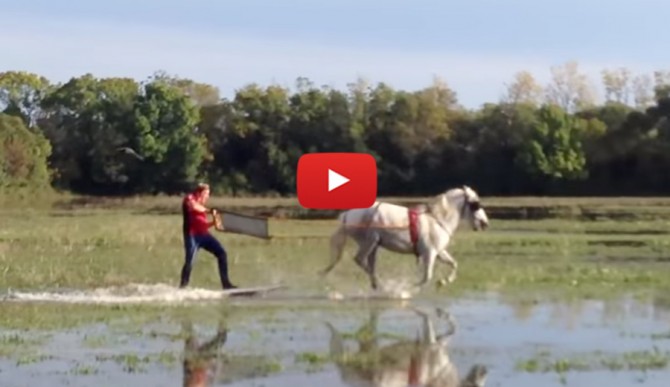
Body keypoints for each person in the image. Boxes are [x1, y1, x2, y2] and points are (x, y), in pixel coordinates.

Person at [180, 183, 237, 289]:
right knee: (190, 261)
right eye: (206, 194)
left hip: (204, 235)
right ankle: (183, 286)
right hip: (192, 236)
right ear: (199, 193)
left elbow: (203, 225)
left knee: (222, 254)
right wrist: (209, 211)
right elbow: (194, 206)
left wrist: (214, 223)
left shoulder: (202, 207)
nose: (207, 197)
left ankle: (226, 284)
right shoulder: (190, 198)